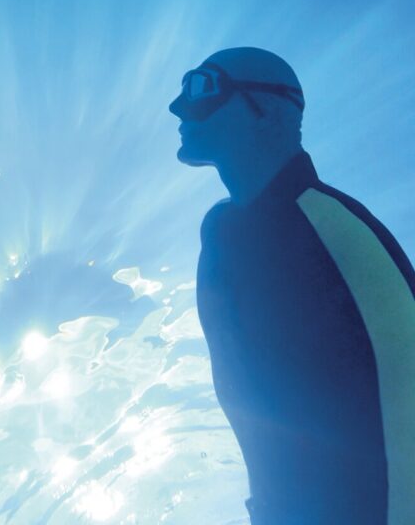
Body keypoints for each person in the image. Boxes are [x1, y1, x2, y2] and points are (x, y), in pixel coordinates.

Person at [169, 46, 414, 525]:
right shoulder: (227, 236)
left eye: (203, 85)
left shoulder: (332, 225)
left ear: (268, 108)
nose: (179, 106)